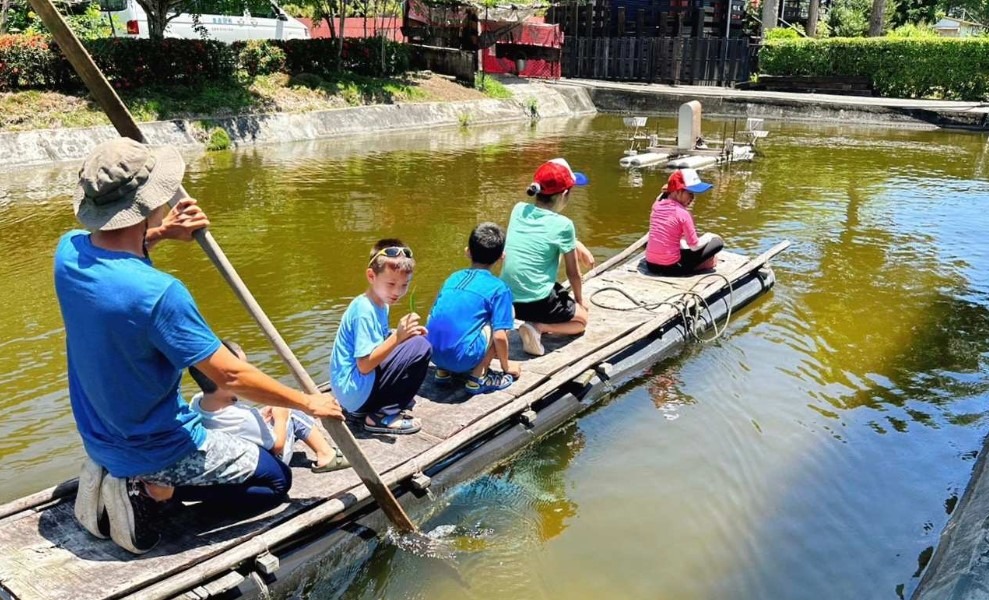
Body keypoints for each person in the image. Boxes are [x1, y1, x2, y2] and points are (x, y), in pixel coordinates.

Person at [55, 138, 344, 555]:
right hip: (156, 448)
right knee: (276, 479)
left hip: (98, 436)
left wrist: (162, 234)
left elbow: (114, 259)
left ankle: (139, 481)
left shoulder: (67, 252)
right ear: (147, 202)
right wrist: (306, 402)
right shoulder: (159, 293)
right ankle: (152, 496)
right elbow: (230, 375)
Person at [188, 340, 349, 473]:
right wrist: (281, 417)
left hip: (235, 453)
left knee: (275, 410)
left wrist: (261, 418)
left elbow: (233, 427)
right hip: (265, 461)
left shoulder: (196, 402)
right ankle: (326, 455)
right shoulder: (244, 417)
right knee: (291, 410)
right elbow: (276, 446)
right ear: (225, 380)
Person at [329, 239, 431, 435]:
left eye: (404, 285)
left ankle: (374, 406)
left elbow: (378, 344)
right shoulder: (364, 309)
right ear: (371, 276)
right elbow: (364, 365)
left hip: (352, 393)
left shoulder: (380, 303)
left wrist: (402, 336)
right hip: (354, 393)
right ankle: (380, 417)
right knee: (421, 347)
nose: (397, 292)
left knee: (416, 341)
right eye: (391, 284)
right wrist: (398, 338)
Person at [501, 158, 594, 357]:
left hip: (510, 300)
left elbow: (543, 231)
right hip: (538, 302)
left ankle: (534, 323)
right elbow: (573, 273)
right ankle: (539, 327)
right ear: (565, 194)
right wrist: (579, 301)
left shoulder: (518, 209)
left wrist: (576, 243)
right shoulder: (564, 225)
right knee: (581, 321)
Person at [426, 222, 520, 394]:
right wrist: (507, 366)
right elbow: (499, 336)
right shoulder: (499, 288)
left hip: (432, 354)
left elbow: (434, 312)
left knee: (446, 314)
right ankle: (478, 377)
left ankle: (442, 371)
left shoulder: (453, 278)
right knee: (506, 315)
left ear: (468, 251)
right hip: (463, 359)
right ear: (502, 257)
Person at [644, 168, 724, 276]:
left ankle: (705, 262)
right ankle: (705, 264)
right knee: (717, 242)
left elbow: (663, 195)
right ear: (677, 192)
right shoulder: (683, 213)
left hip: (651, 265)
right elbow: (694, 246)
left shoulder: (656, 206)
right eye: (690, 193)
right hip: (673, 268)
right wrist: (710, 236)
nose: (692, 198)